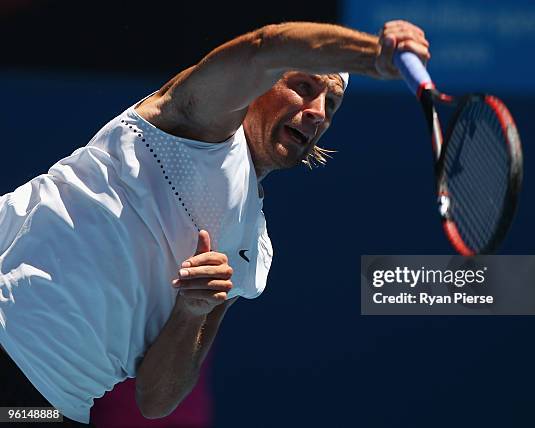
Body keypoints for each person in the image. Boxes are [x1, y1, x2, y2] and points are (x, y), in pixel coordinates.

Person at [0, 19, 430, 425]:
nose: (317, 112)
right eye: (303, 86)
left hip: (50, 408)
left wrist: (192, 309)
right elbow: (267, 45)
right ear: (261, 85)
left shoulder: (252, 253)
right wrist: (373, 54)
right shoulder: (193, 122)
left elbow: (156, 399)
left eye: (330, 104)